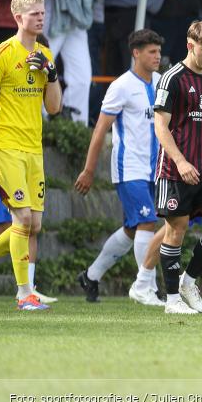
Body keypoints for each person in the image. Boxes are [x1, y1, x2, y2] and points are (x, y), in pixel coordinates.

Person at [74, 29, 165, 305]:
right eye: (152, 52)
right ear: (136, 53)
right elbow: (101, 129)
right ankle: (146, 287)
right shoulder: (122, 86)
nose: (157, 57)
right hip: (130, 169)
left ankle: (91, 276)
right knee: (148, 222)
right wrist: (89, 170)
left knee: (132, 228)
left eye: (159, 52)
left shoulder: (162, 82)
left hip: (156, 169)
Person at [152, 21, 202, 315]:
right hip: (175, 169)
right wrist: (181, 161)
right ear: (190, 45)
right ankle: (172, 300)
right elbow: (161, 126)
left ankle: (188, 282)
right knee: (177, 229)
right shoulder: (171, 78)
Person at [0, 0, 62, 310]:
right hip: (5, 145)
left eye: (42, 12)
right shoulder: (2, 53)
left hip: (34, 148)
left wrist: (51, 74)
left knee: (32, 225)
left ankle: (26, 292)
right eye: (34, 13)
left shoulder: (46, 54)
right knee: (21, 217)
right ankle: (24, 295)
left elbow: (55, 107)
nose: (40, 17)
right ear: (18, 18)